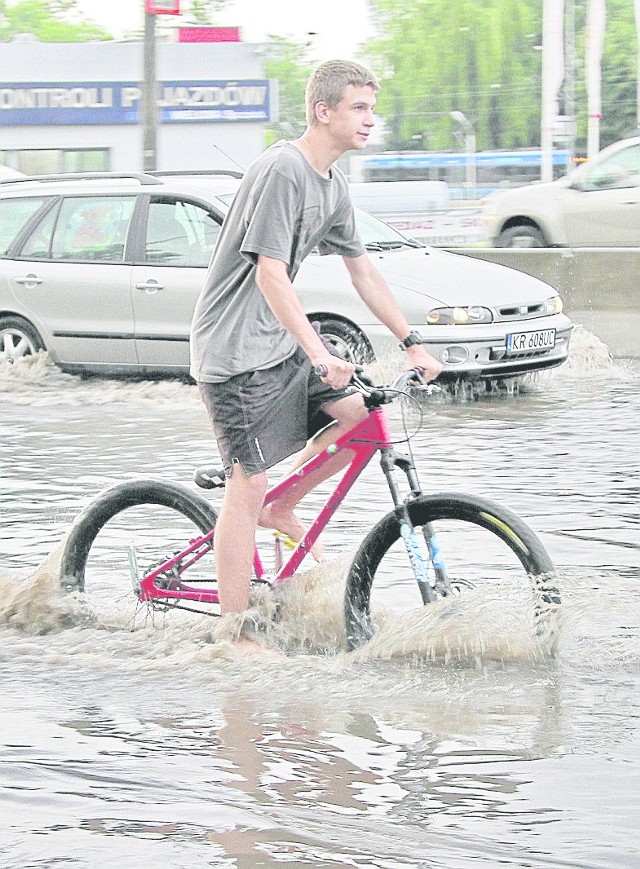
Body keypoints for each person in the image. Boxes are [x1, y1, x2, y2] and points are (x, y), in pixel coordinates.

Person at [190, 59, 442, 627]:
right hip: (233, 352)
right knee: (245, 485)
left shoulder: (334, 184)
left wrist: (412, 343)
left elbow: (364, 272)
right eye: (358, 107)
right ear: (322, 111)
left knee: (359, 417)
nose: (370, 119)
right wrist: (319, 352)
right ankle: (235, 633)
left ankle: (285, 504)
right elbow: (269, 274)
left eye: (372, 108)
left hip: (277, 344)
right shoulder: (284, 169)